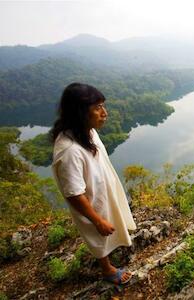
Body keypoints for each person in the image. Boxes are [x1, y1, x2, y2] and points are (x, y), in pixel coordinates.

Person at [50, 82, 137, 285]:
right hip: (90, 201)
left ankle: (112, 250)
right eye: (97, 108)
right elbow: (73, 194)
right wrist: (96, 220)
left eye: (103, 106)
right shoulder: (69, 150)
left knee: (110, 224)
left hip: (101, 191)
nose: (104, 113)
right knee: (97, 233)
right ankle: (107, 270)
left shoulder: (86, 132)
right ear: (80, 112)